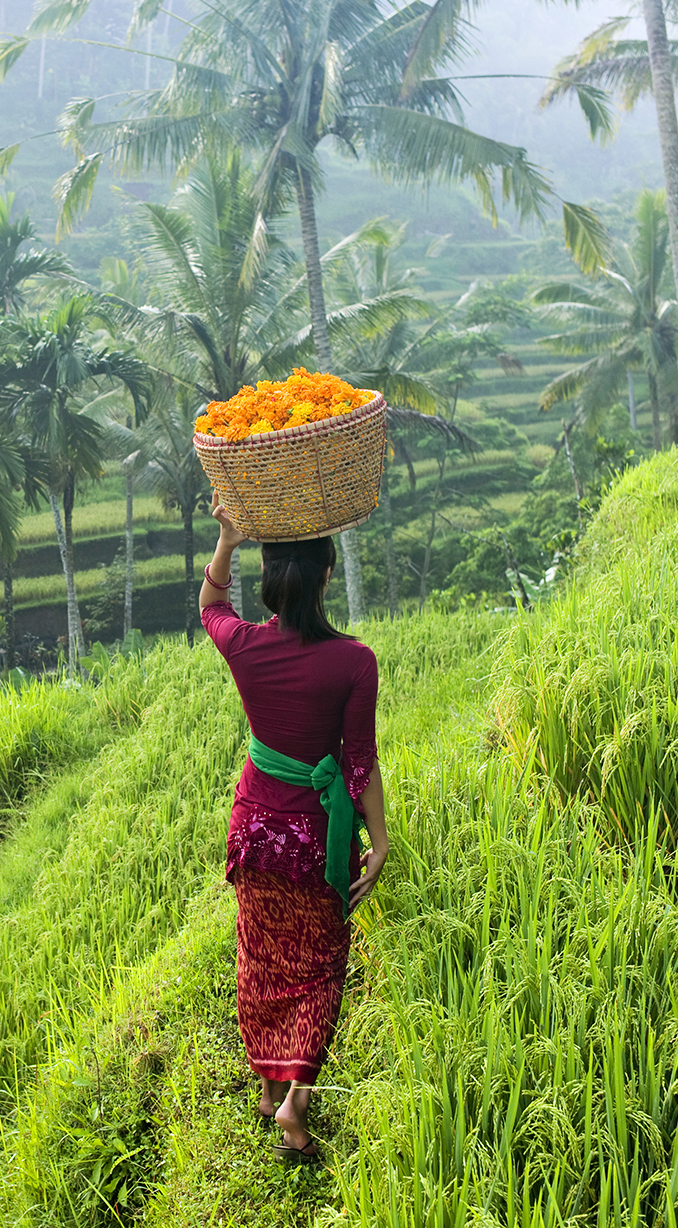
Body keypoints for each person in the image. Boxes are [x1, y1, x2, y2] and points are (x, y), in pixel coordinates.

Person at [198, 492, 389, 1164]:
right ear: (328, 576)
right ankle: (294, 1104)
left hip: (255, 833)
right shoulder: (354, 662)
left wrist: (228, 537)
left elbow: (210, 608)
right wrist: (382, 841)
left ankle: (265, 1082)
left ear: (274, 582)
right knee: (319, 968)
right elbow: (358, 762)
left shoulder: (247, 648)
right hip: (315, 840)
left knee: (262, 957)